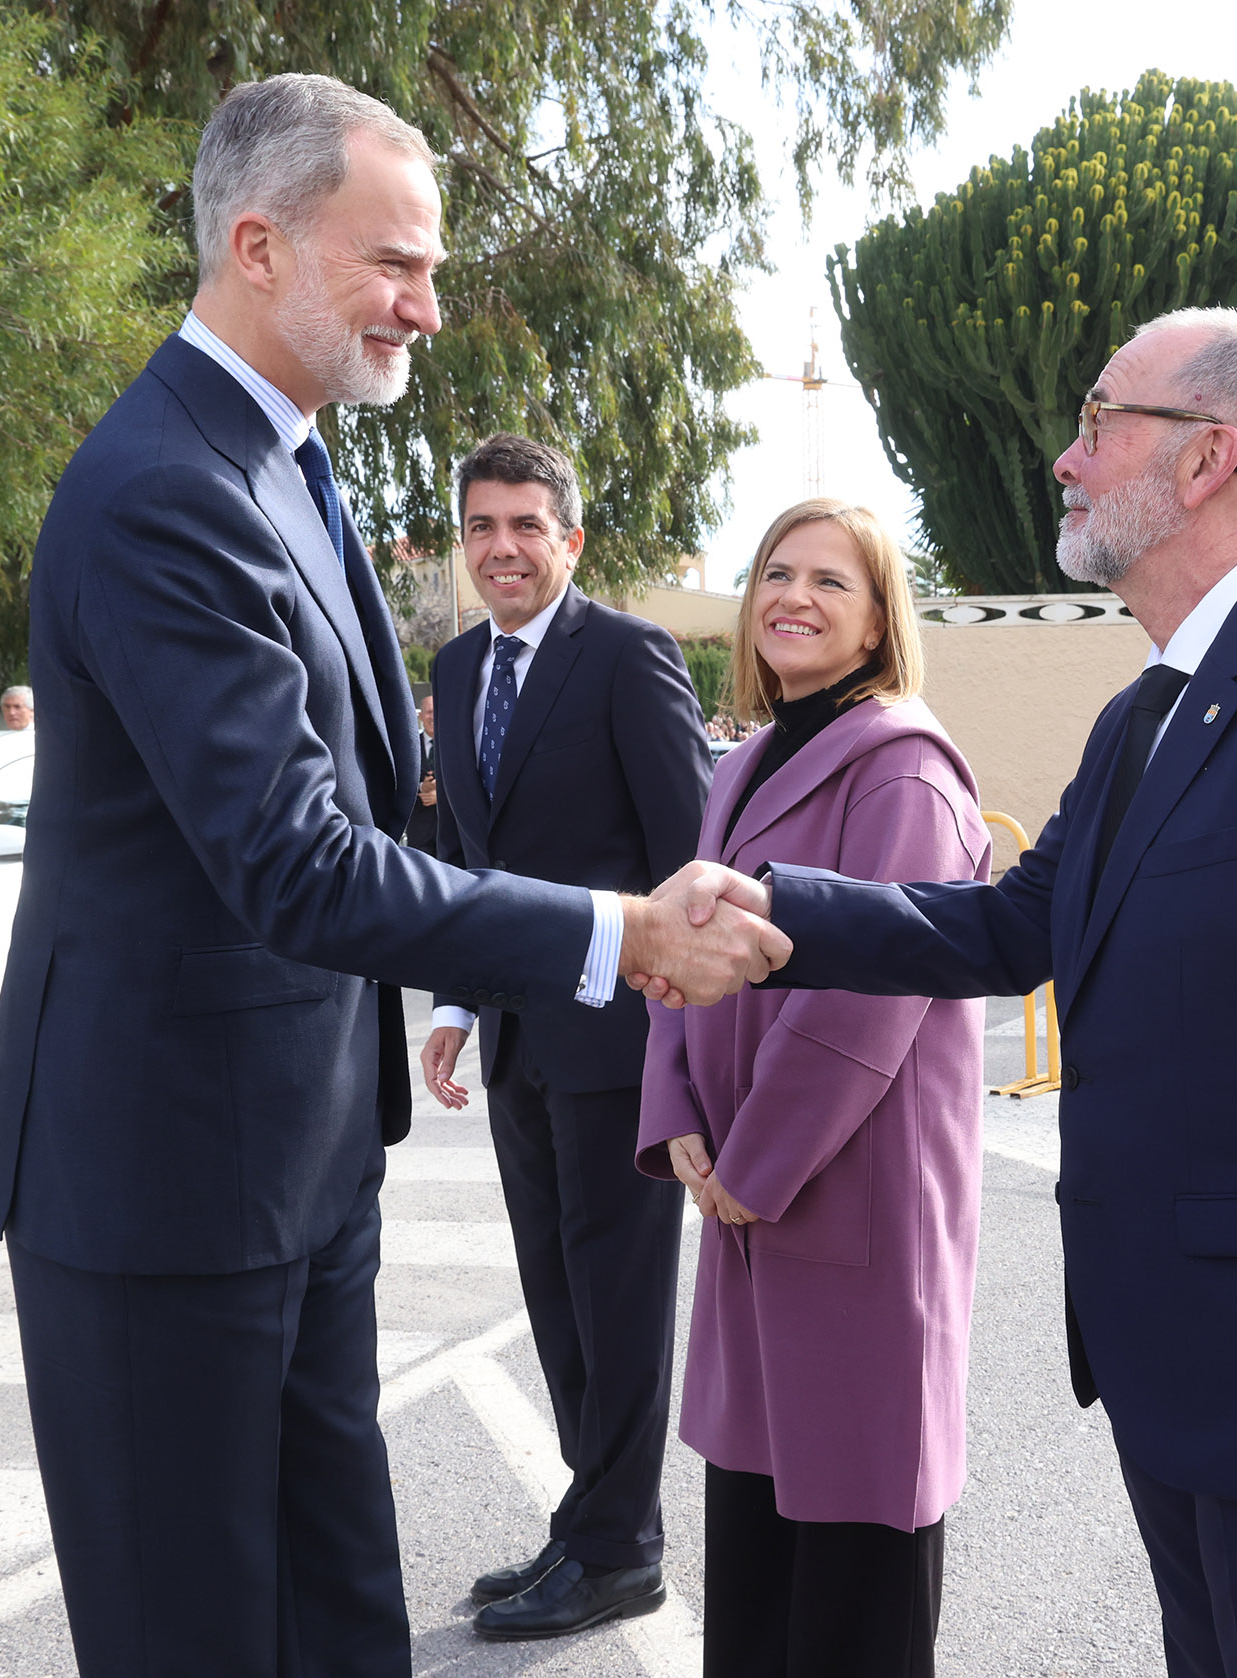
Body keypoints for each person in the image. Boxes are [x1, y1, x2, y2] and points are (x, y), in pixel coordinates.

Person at [0, 74, 786, 1678]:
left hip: (300, 1160)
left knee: (339, 1621)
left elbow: (366, 809)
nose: (428, 304)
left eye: (432, 265)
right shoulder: (166, 491)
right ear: (257, 245)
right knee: (200, 1639)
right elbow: (295, 856)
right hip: (162, 1187)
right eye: (395, 262)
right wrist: (615, 931)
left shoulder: (288, 457)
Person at [644, 307, 1237, 1678]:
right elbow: (1010, 925)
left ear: (1206, 459)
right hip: (1177, 1374)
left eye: (1099, 422)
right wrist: (774, 906)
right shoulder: (1147, 711)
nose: (1065, 459)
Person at [636, 499, 989, 1678]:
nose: (793, 595)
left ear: (880, 618)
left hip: (847, 1202)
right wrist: (675, 1115)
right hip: (742, 1196)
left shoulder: (906, 770)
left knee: (852, 1566)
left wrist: (753, 1163)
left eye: (831, 581)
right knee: (753, 1555)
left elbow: (865, 1001)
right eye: (776, 572)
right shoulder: (739, 764)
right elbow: (677, 948)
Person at [421, 432, 711, 1639]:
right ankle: (585, 1518)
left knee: (619, 1301)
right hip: (515, 1043)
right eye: (481, 526)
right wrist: (453, 1006)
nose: (502, 548)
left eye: (525, 525)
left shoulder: (628, 656)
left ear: (570, 539)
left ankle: (621, 1550)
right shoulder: (453, 667)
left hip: (621, 1042)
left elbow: (689, 856)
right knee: (556, 1296)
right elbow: (461, 860)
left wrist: (692, 1060)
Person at [404, 691, 439, 854]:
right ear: (421, 716)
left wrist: (441, 796)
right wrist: (421, 787)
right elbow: (400, 781)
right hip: (419, 831)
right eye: (428, 712)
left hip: (450, 830)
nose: (432, 717)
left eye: (435, 711)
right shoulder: (409, 746)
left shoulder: (455, 745)